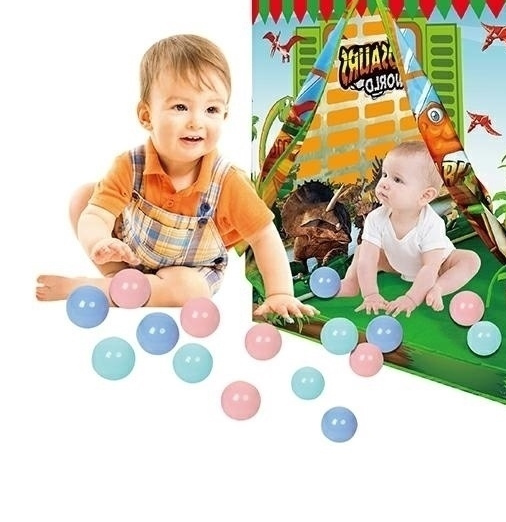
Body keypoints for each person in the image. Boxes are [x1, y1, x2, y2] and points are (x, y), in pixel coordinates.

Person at [35, 34, 316, 320]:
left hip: (189, 273)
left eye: (211, 109)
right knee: (83, 198)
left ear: (224, 115)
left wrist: (279, 293)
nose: (196, 121)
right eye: (181, 107)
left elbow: (264, 236)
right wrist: (99, 242)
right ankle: (118, 279)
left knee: (190, 291)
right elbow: (98, 214)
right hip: (130, 255)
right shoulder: (130, 165)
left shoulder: (227, 181)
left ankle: (95, 290)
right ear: (146, 116)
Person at [337, 140, 480, 317]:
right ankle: (351, 283)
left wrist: (411, 299)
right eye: (385, 174)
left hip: (439, 266)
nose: (384, 183)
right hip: (397, 263)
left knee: (470, 260)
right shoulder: (376, 218)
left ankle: (438, 288)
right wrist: (371, 294)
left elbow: (430, 267)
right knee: (362, 251)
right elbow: (367, 260)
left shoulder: (431, 224)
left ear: (425, 196)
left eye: (397, 179)